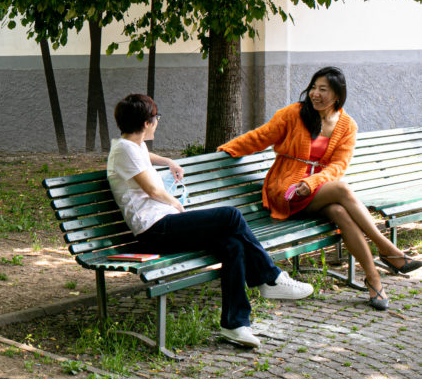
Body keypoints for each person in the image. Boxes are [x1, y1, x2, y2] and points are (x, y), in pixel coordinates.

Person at [107, 94, 313, 348]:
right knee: (231, 215)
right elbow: (151, 190)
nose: (157, 122)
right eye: (156, 118)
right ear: (147, 123)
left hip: (164, 224)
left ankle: (235, 325)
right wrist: (175, 203)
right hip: (154, 230)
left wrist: (168, 161)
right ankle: (270, 277)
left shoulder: (132, 145)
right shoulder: (124, 149)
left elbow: (144, 157)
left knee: (232, 244)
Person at [219, 66, 421, 310]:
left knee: (339, 211)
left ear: (337, 95)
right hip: (286, 189)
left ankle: (373, 278)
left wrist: (312, 182)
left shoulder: (347, 126)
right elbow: (260, 137)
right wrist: (225, 150)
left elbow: (338, 166)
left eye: (322, 89)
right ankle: (387, 249)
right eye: (313, 87)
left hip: (316, 192)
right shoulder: (293, 113)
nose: (315, 94)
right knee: (342, 190)